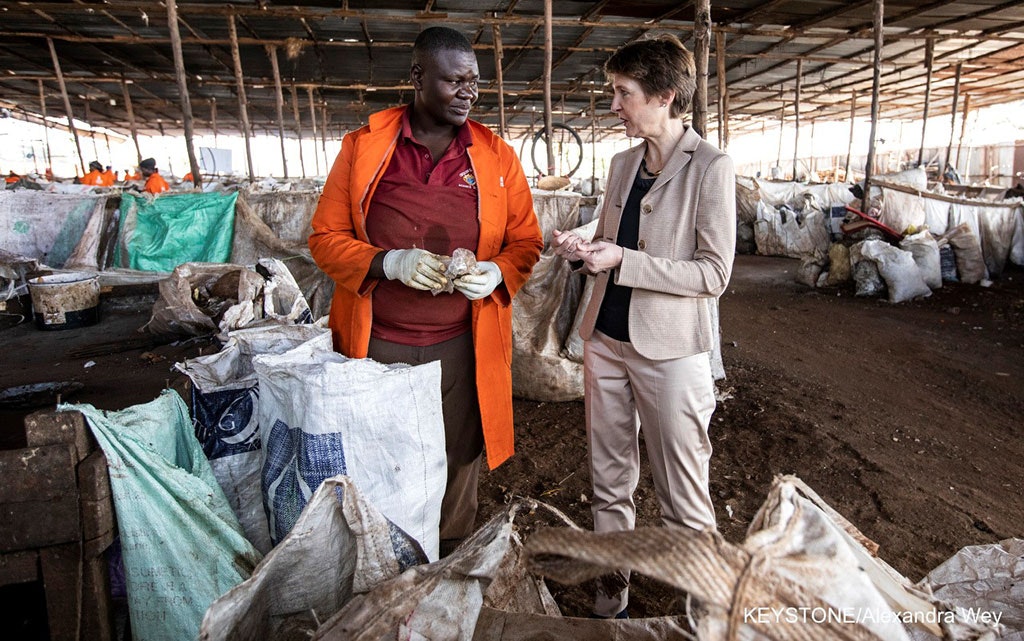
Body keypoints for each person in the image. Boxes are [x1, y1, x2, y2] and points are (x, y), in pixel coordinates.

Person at [309, 26, 542, 556]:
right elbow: (324, 239)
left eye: (475, 82)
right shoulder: (364, 147)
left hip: (462, 343)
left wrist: (500, 272)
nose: (469, 92)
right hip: (379, 342)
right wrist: (387, 262)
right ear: (417, 77)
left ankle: (448, 556)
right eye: (455, 80)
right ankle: (382, 559)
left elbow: (527, 239)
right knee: (376, 456)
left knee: (458, 455)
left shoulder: (495, 157)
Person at [551, 33, 736, 619]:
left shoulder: (710, 166)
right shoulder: (623, 163)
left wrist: (624, 260)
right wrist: (586, 244)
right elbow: (613, 238)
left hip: (669, 350)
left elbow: (713, 274)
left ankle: (701, 612)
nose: (613, 105)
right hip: (605, 338)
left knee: (683, 492)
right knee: (609, 476)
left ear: (665, 96)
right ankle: (612, 594)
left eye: (622, 93)